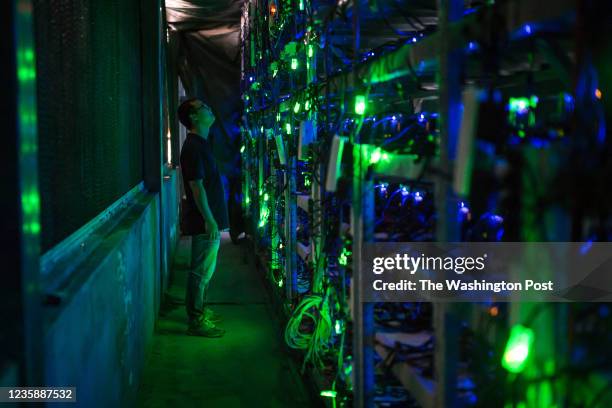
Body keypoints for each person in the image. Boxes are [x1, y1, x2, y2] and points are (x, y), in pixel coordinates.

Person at [178, 98, 229, 337]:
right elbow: (196, 187)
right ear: (194, 117)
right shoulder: (193, 147)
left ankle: (200, 311)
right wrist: (209, 219)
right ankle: (196, 320)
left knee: (205, 271)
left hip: (208, 218)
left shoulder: (201, 144)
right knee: (200, 271)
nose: (209, 108)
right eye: (203, 107)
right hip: (203, 220)